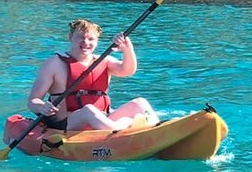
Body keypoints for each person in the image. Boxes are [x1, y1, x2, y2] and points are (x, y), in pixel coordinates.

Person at [27, 19, 158, 132]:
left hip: (102, 118)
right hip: (67, 123)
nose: (86, 42)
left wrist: (127, 49)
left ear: (97, 41)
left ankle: (156, 130)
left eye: (91, 39)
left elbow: (127, 71)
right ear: (71, 37)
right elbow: (33, 100)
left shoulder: (104, 60)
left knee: (139, 103)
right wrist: (42, 106)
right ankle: (123, 127)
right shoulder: (54, 63)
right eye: (80, 37)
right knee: (88, 110)